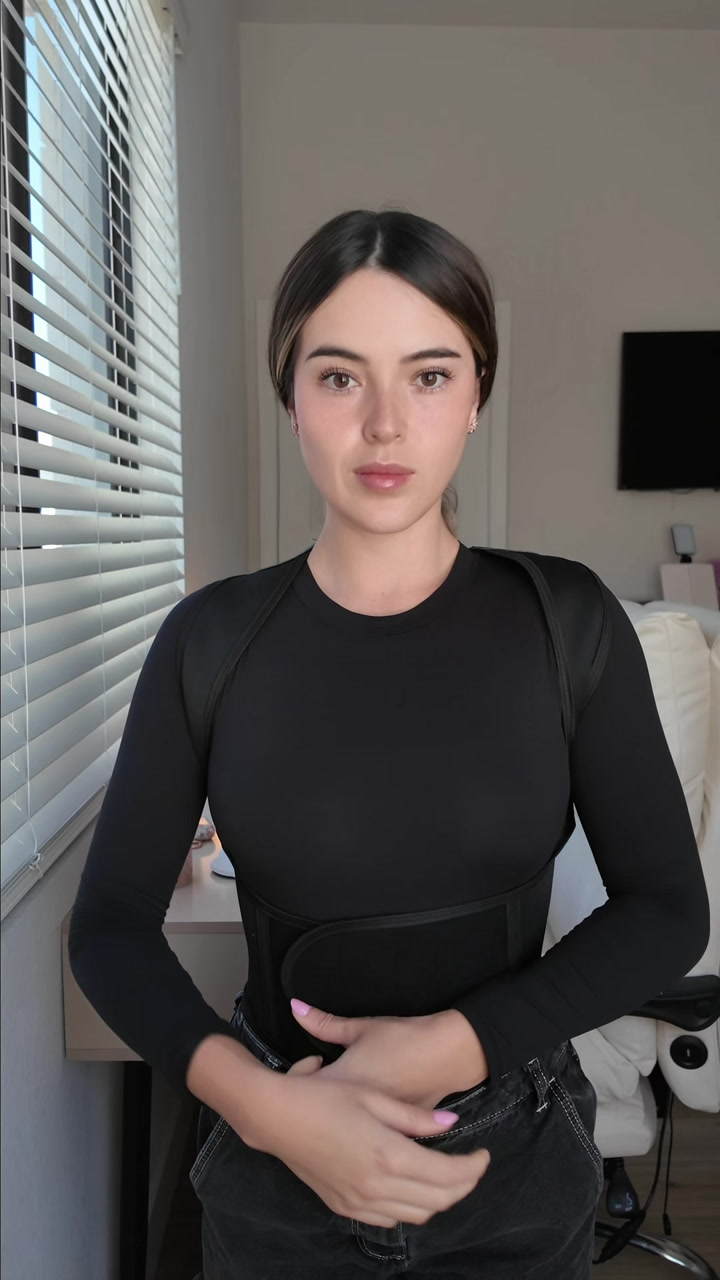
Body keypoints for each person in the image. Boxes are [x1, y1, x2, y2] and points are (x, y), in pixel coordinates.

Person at [69, 208, 710, 1279]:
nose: (384, 425)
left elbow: (668, 908)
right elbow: (109, 927)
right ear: (290, 396)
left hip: (513, 1165)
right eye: (339, 377)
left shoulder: (568, 622)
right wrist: (264, 1107)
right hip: (277, 1164)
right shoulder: (209, 640)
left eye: (428, 375)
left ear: (476, 394)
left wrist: (450, 1044)